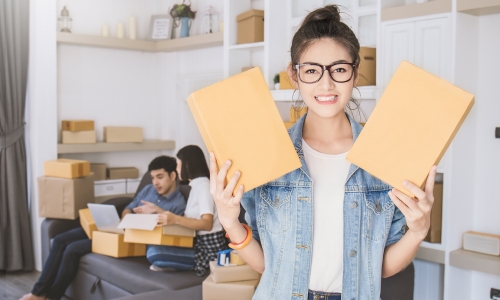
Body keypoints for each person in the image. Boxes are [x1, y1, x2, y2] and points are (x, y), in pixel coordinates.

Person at [209, 5, 436, 300]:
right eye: (312, 70)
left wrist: (418, 230)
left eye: (339, 69)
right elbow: (268, 266)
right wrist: (229, 220)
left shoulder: (384, 158)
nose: (326, 84)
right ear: (295, 74)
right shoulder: (269, 154)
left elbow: (379, 268)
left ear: (355, 73)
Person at [20, 155, 186, 300]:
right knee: (59, 240)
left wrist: (156, 211)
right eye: (153, 178)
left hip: (134, 241)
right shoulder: (149, 189)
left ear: (173, 175)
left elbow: (172, 229)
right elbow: (129, 206)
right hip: (120, 229)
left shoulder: (178, 204)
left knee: (72, 249)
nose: (155, 182)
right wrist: (125, 217)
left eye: (160, 177)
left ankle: (51, 297)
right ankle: (38, 292)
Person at [153, 145, 225, 276]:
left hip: (208, 249)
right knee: (153, 247)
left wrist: (175, 219)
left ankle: (178, 264)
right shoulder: (195, 186)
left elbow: (207, 224)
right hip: (196, 243)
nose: (176, 169)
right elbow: (186, 221)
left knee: (154, 253)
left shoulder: (204, 186)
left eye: (178, 165)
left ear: (187, 165)